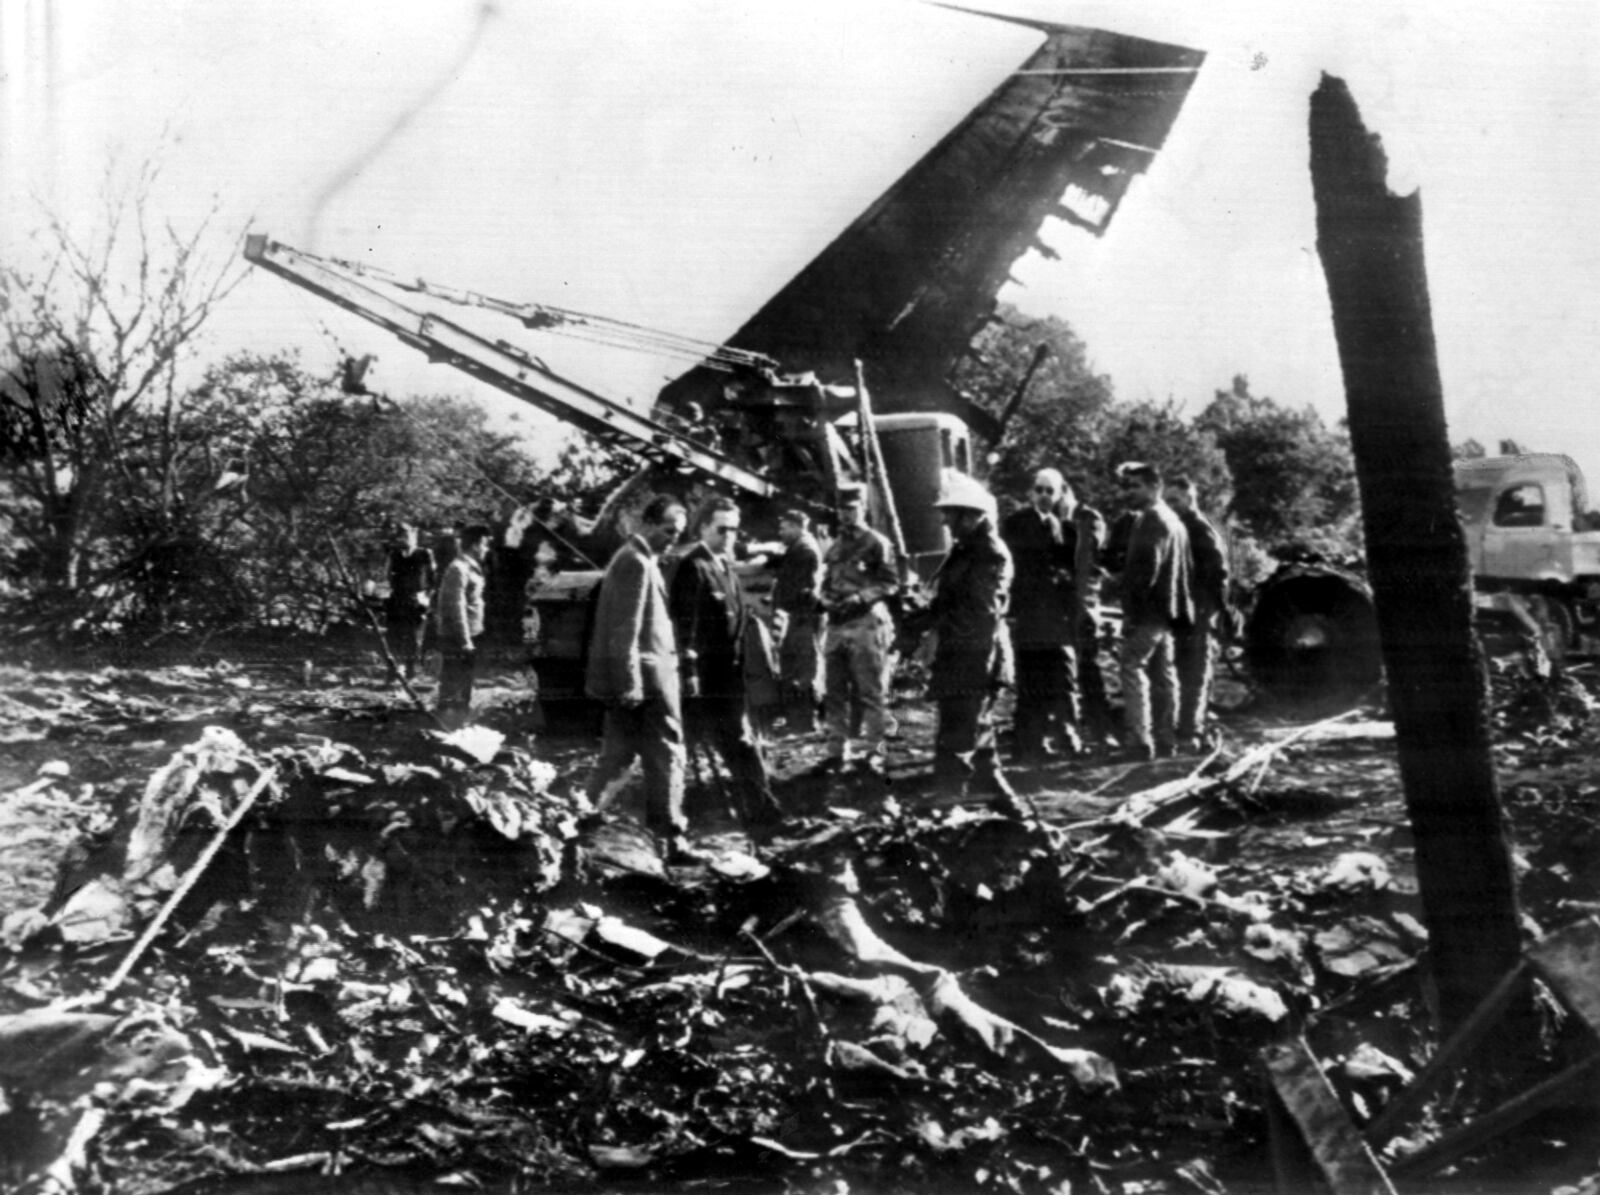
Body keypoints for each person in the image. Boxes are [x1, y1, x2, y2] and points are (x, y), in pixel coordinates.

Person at [668, 496, 786, 831]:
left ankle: (759, 812)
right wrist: (690, 679)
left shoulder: (724, 567)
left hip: (731, 677)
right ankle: (764, 815)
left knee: (741, 745)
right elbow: (684, 629)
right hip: (708, 681)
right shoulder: (694, 567)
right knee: (740, 745)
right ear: (703, 527)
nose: (730, 536)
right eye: (722, 529)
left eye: (734, 529)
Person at [584, 496, 692, 860]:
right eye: (668, 530)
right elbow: (624, 629)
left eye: (677, 533)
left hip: (639, 677)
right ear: (647, 523)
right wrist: (630, 682)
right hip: (646, 680)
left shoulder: (636, 558)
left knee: (616, 755)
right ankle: (671, 838)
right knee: (667, 754)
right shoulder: (637, 562)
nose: (672, 539)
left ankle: (578, 820)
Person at [926, 471, 1019, 807]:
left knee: (958, 735)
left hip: (975, 657)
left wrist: (957, 659)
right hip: (963, 655)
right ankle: (1001, 800)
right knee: (976, 734)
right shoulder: (966, 550)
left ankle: (948, 805)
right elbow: (950, 600)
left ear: (972, 514)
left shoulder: (988, 553)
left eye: (951, 513)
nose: (945, 520)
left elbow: (981, 614)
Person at [1110, 464, 1193, 761]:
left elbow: (1146, 572)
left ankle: (1139, 740)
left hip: (1148, 613)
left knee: (1131, 667)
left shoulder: (1153, 520)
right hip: (1166, 613)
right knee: (1164, 676)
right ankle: (1167, 739)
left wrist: (1131, 614)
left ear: (1153, 487)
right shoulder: (1175, 521)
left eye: (1134, 486)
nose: (1127, 492)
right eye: (1126, 486)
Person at [1001, 468, 1082, 763]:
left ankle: (1047, 739)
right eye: (1040, 490)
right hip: (1029, 614)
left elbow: (1068, 565)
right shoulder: (1016, 524)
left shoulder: (1061, 526)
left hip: (1053, 617)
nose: (1045, 496)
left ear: (1060, 494)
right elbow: (1015, 570)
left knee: (1055, 679)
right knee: (1030, 682)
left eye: (1051, 491)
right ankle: (1027, 744)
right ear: (1030, 493)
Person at [819, 484, 900, 773]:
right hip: (837, 625)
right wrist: (825, 598)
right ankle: (836, 750)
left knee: (871, 691)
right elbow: (827, 582)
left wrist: (860, 597)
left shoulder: (877, 542)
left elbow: (891, 583)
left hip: (866, 623)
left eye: (852, 508)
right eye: (842, 509)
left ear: (863, 507)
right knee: (834, 691)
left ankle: (875, 750)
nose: (846, 515)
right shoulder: (835, 547)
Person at [1166, 476, 1230, 751]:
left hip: (1198, 614)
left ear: (1189, 499)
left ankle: (1190, 732)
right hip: (1178, 614)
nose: (1170, 505)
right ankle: (1180, 728)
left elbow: (1219, 574)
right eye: (1166, 501)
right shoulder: (1175, 528)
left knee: (1194, 673)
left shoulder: (1199, 530)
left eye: (1175, 500)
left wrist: (1211, 611)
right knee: (1176, 672)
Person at [770, 509, 825, 734]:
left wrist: (786, 604)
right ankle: (800, 721)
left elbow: (803, 587)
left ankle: (804, 722)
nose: (781, 532)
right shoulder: (800, 547)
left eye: (784, 528)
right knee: (798, 668)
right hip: (801, 616)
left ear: (796, 526)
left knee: (803, 670)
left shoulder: (804, 550)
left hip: (804, 616)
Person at [434, 524, 491, 727]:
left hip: (469, 634)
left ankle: (458, 723)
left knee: (464, 682)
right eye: (485, 545)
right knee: (453, 682)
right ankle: (446, 725)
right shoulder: (458, 569)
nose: (487, 549)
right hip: (456, 637)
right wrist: (464, 640)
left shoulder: (469, 567)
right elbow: (455, 607)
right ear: (475, 545)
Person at [384, 523, 436, 679]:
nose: (404, 539)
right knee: (393, 635)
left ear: (414, 535)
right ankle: (393, 671)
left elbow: (432, 578)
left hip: (416, 599)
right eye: (401, 536)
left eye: (407, 535)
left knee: (413, 636)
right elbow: (387, 575)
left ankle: (411, 670)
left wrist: (427, 598)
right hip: (397, 598)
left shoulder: (424, 554)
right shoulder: (394, 554)